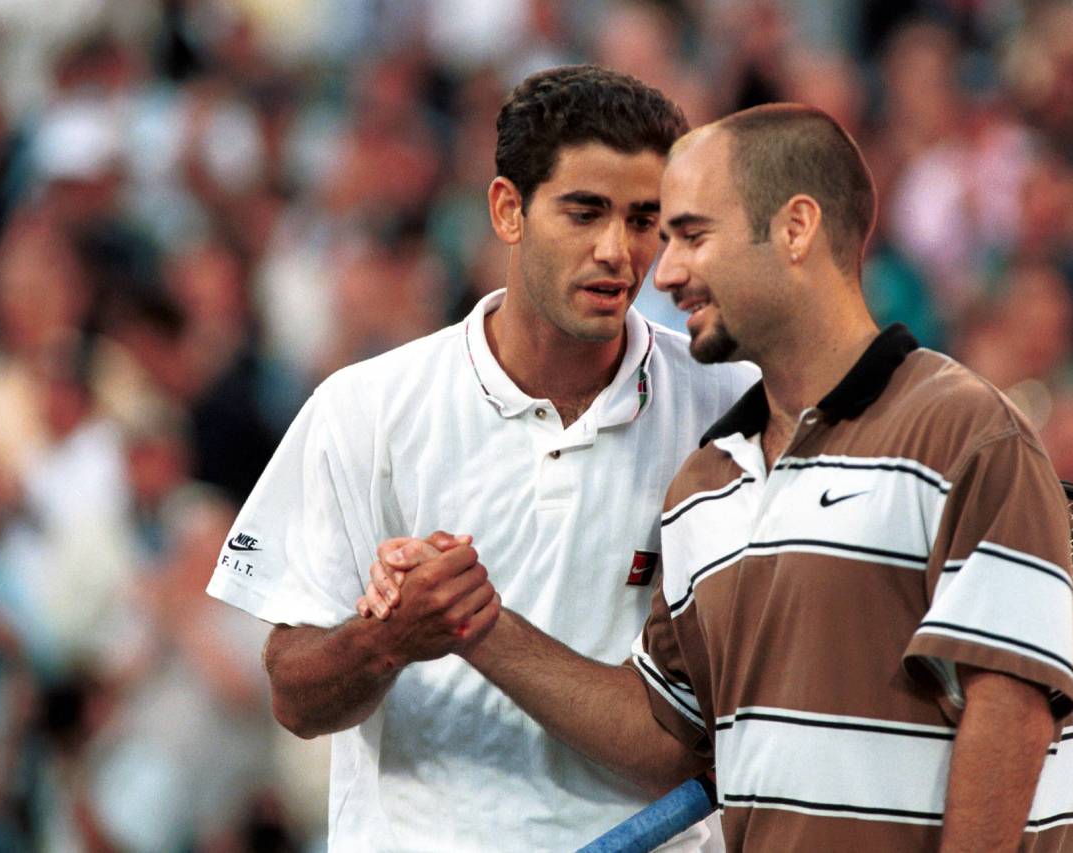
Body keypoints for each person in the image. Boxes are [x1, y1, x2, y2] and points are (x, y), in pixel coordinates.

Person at [369, 104, 1073, 850]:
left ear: (796, 228)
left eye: (691, 235)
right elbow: (665, 726)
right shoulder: (701, 486)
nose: (664, 270)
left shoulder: (968, 432)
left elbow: (1010, 709)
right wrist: (477, 622)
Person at [204, 65, 757, 851]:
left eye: (643, 220)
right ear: (507, 210)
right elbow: (295, 696)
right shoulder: (363, 406)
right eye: (584, 211)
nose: (617, 251)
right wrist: (388, 637)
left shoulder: (734, 400)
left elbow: (703, 730)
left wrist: (472, 621)